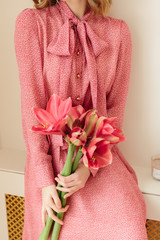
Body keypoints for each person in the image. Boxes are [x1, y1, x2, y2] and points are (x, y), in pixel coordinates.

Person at [14, 0, 148, 239]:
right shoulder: (32, 24)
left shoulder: (118, 32)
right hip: (50, 165)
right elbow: (31, 107)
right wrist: (45, 183)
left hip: (99, 161)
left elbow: (114, 111)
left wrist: (88, 167)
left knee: (129, 222)